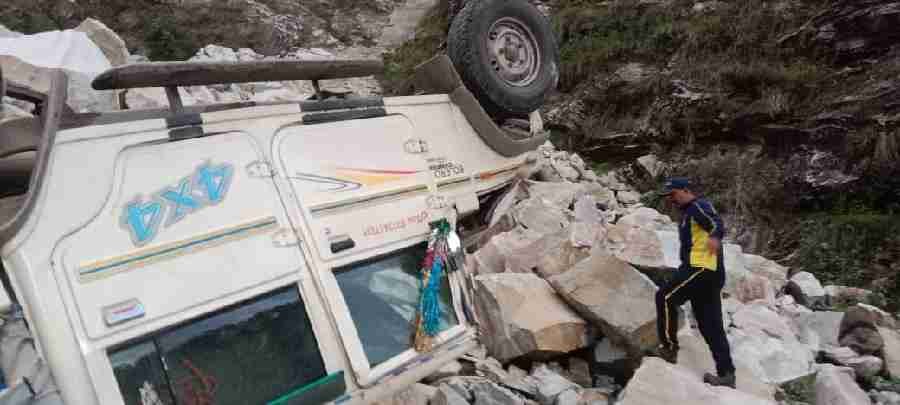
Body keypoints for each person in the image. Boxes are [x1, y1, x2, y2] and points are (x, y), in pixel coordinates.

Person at [654, 177, 736, 388]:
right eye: (668, 196)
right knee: (710, 326)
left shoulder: (697, 206)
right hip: (709, 272)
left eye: (673, 194)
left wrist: (715, 236)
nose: (670, 199)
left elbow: (716, 222)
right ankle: (727, 375)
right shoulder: (687, 213)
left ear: (685, 190)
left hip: (700, 268)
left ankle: (668, 349)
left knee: (665, 297)